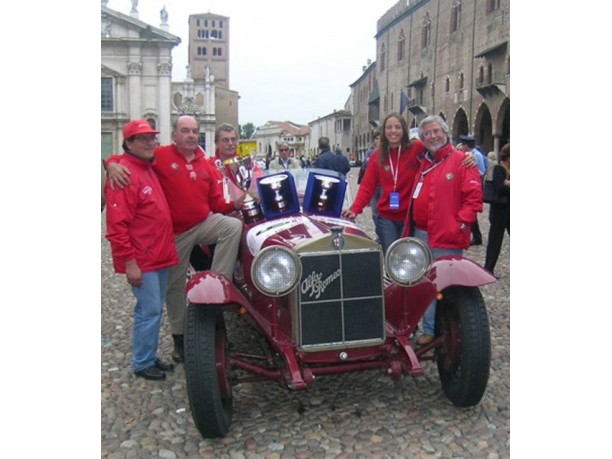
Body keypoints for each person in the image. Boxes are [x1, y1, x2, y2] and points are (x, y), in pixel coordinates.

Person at [106, 115, 246, 363]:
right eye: (185, 131)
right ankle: (180, 339)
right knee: (174, 289)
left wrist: (232, 204)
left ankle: (218, 282)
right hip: (175, 233)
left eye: (194, 131)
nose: (191, 135)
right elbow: (129, 160)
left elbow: (214, 202)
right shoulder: (160, 155)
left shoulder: (205, 164)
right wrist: (111, 164)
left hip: (202, 223)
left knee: (232, 226)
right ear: (175, 136)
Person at [105, 120, 179, 380]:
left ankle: (148, 354)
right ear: (129, 144)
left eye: (151, 138)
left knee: (154, 309)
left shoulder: (145, 166)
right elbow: (116, 225)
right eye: (142, 139)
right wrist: (129, 263)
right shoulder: (124, 174)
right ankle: (142, 362)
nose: (150, 143)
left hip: (158, 255)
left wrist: (109, 161)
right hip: (143, 259)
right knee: (148, 310)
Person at [402, 115, 483, 345]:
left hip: (447, 236)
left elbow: (474, 199)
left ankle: (453, 331)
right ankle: (427, 328)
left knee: (446, 286)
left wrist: (460, 224)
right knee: (423, 283)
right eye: (427, 133)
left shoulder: (461, 161)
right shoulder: (424, 162)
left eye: (436, 131)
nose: (432, 136)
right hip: (421, 234)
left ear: (445, 132)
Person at [342, 113, 425, 254]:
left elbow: (437, 150)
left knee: (409, 256)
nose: (393, 131)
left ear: (404, 130)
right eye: (389, 127)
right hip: (386, 218)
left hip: (409, 216)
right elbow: (367, 186)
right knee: (392, 256)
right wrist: (355, 209)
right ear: (384, 131)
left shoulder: (416, 148)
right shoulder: (377, 155)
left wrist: (466, 155)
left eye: (397, 127)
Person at [484, 143, 510, 278]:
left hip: (509, 211)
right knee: (495, 241)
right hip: (499, 211)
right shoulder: (499, 169)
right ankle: (488, 269)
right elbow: (499, 187)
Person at [459, 135, 487, 246]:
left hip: (476, 181)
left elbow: (482, 170)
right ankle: (476, 236)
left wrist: (472, 173)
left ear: (466, 146)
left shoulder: (476, 155)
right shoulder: (470, 155)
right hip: (472, 180)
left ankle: (477, 237)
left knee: (472, 212)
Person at [357, 131, 382, 242]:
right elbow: (365, 166)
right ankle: (379, 233)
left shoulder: (389, 152)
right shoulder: (370, 152)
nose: (378, 140)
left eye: (380, 138)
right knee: (375, 212)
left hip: (384, 188)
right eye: (376, 138)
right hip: (373, 187)